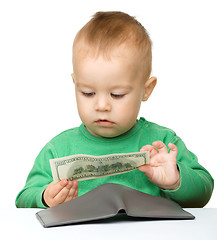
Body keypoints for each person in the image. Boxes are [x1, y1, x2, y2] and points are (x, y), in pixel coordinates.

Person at [15, 11, 214, 208]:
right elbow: (23, 199)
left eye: (117, 95)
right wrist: (44, 198)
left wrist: (176, 179)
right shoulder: (58, 149)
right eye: (87, 93)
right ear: (75, 84)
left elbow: (204, 190)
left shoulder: (162, 144)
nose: (102, 106)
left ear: (146, 90)